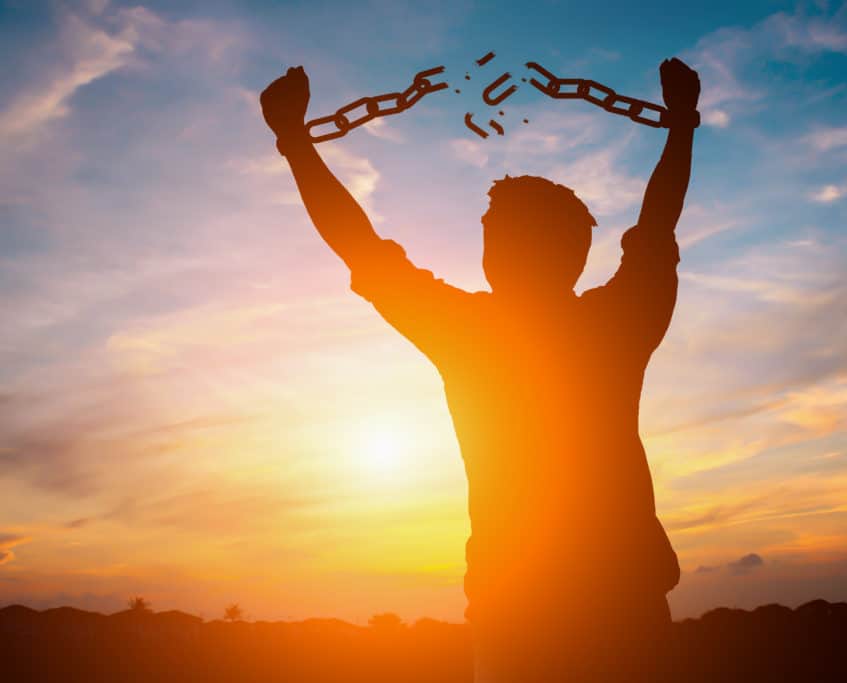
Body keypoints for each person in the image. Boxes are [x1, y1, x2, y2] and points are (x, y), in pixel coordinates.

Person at [260, 57, 700, 682]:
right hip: (616, 609)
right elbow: (657, 226)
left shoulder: (469, 332)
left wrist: (295, 143)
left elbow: (358, 243)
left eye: (497, 234)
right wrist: (681, 124)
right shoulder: (620, 321)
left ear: (504, 251)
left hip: (521, 612)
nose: (490, 245)